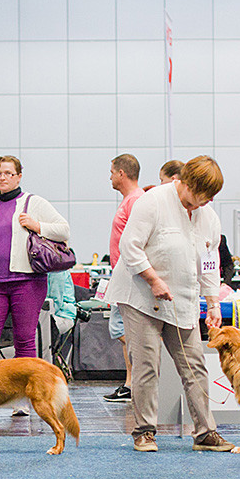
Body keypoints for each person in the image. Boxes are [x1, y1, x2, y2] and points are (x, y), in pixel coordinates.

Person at [103, 154, 233, 453]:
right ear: (183, 182)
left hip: (182, 300)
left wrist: (213, 302)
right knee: (147, 365)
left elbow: (210, 263)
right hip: (140, 295)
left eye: (207, 199)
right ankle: (144, 432)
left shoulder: (209, 217)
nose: (200, 203)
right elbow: (129, 246)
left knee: (195, 365)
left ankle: (205, 433)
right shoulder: (152, 202)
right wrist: (153, 280)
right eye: (196, 196)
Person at [0, 155, 70, 415]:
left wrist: (37, 225)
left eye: (8, 173)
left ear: (18, 176)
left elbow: (63, 230)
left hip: (28, 282)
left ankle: (24, 401)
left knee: (24, 341)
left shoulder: (33, 202)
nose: (2, 177)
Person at [103, 154, 144, 404]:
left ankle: (142, 378)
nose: (109, 176)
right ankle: (131, 383)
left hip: (130, 277)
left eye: (111, 171)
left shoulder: (137, 201)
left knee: (122, 329)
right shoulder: (129, 200)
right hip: (122, 275)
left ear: (122, 173)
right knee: (121, 329)